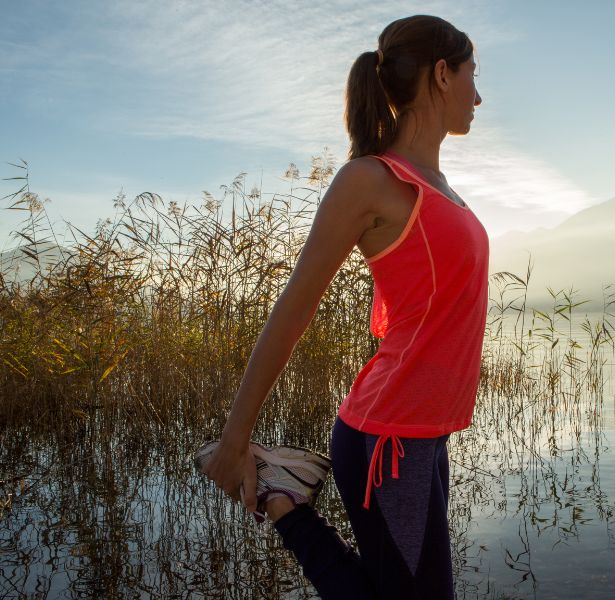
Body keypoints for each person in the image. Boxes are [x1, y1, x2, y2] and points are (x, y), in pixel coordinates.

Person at [195, 14, 488, 599]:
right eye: (471, 77)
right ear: (440, 74)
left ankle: (285, 498)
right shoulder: (369, 180)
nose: (478, 96)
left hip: (426, 435)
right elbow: (295, 307)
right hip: (387, 438)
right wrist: (235, 439)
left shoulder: (441, 186)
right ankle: (283, 502)